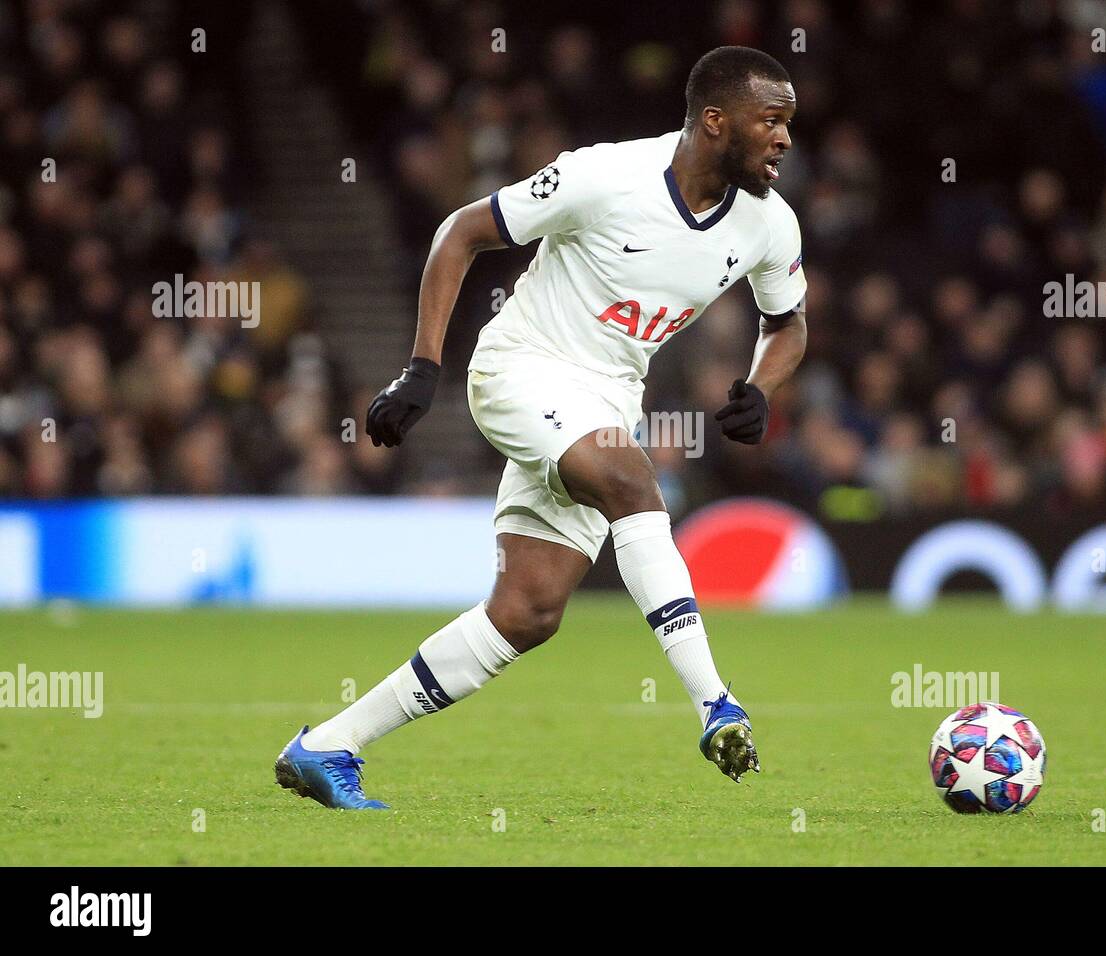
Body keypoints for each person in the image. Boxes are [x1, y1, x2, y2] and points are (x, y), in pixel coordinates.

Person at [275, 46, 807, 809]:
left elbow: (788, 324)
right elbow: (460, 232)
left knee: (528, 611)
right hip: (522, 368)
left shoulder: (768, 225)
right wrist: (423, 368)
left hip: (607, 400)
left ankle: (329, 745)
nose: (785, 139)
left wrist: (762, 387)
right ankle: (714, 703)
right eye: (772, 121)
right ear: (716, 122)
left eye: (789, 122)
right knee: (632, 481)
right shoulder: (604, 177)